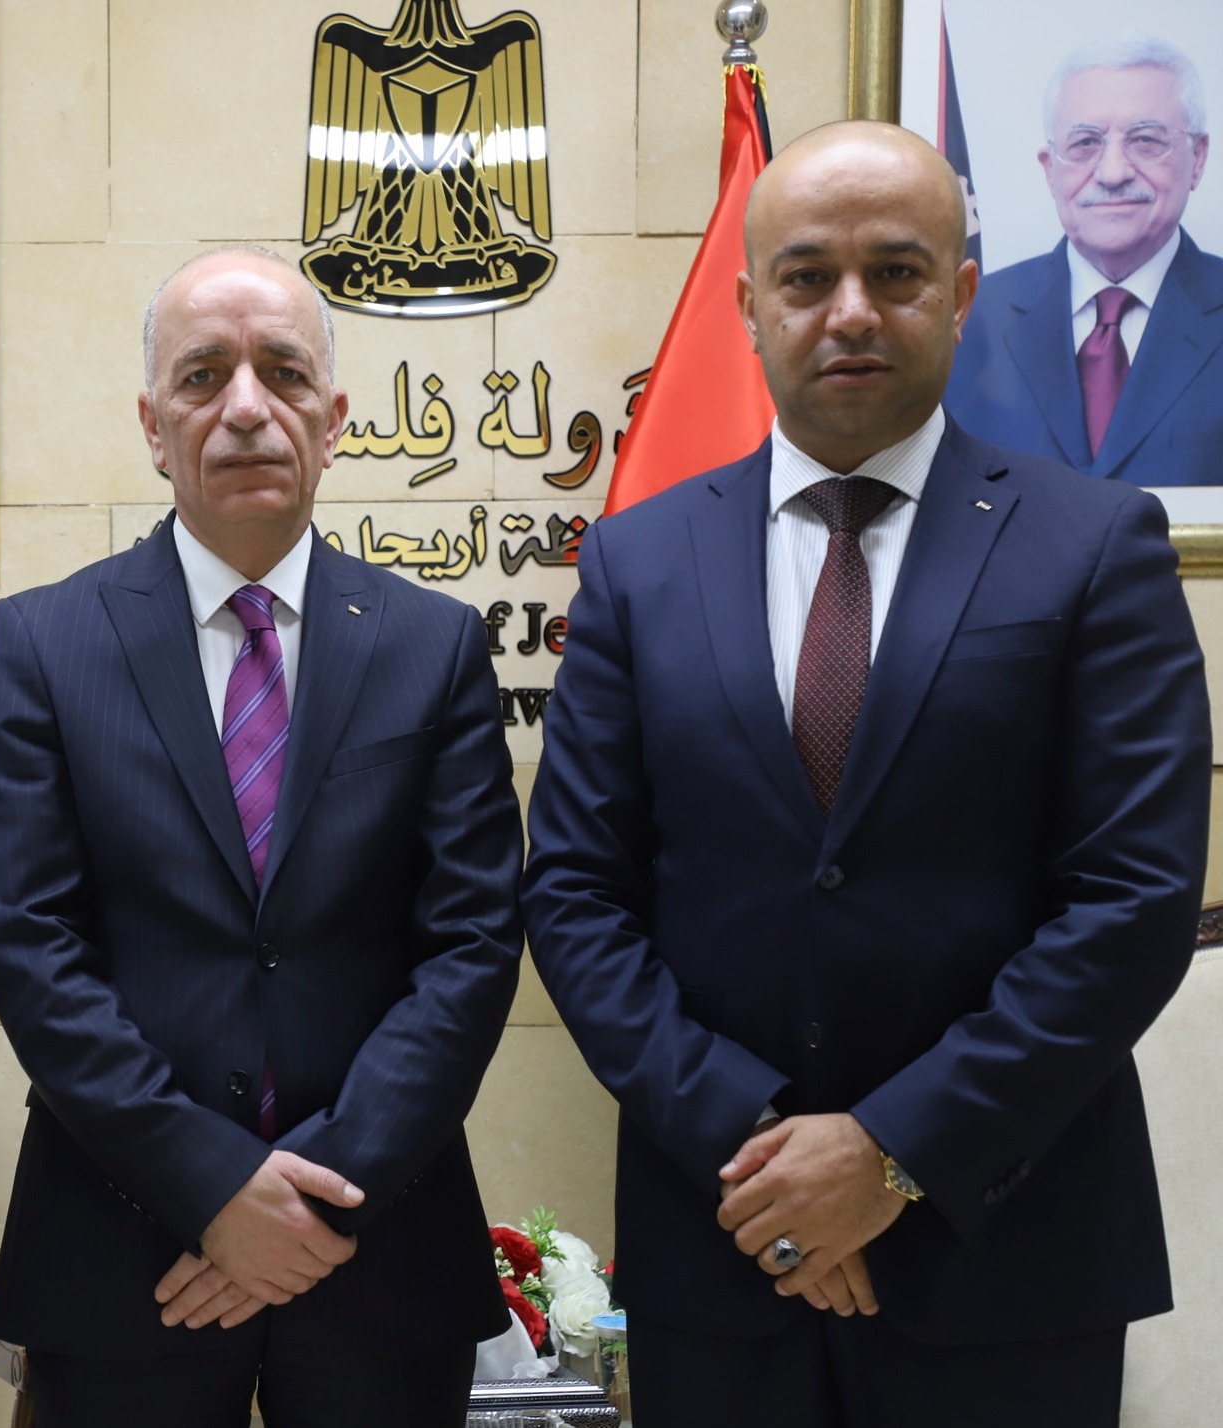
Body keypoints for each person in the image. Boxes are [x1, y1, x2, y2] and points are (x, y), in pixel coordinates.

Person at [524, 121, 1209, 1426]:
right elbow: (573, 895)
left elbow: (1132, 901)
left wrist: (891, 1154)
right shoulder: (635, 561)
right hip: (723, 1245)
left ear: (959, 293)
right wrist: (764, 1153)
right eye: (805, 276)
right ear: (748, 307)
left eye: (894, 272)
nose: (849, 311)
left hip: (1006, 1257)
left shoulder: (1093, 547)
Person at [0, 247, 524, 1427]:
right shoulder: (46, 645)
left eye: (282, 371)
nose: (246, 407)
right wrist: (212, 1186)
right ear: (152, 427)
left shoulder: (431, 646)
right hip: (121, 1250)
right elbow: (29, 946)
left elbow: (470, 947)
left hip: (379, 1244)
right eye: (202, 374)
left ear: (334, 418)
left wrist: (309, 1200)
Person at [947, 31, 1220, 486]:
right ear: (1049, 169)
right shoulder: (965, 320)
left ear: (1198, 158)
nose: (1112, 173)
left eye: (1145, 140)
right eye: (1085, 143)